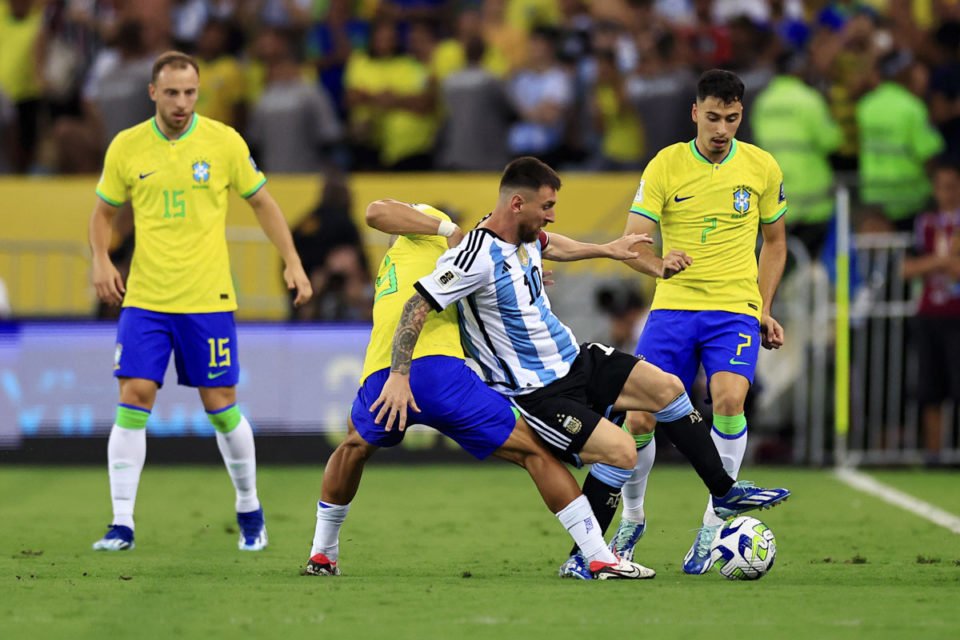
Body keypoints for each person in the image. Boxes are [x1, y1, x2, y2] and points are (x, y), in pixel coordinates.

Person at [373, 156, 790, 580]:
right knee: (622, 451)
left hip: (576, 360)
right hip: (539, 391)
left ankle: (723, 492)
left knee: (664, 388)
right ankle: (584, 556)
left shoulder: (524, 234)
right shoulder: (474, 257)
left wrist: (607, 249)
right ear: (517, 203)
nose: (551, 216)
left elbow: (552, 244)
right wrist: (398, 374)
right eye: (547, 207)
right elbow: (416, 304)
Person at [305, 199, 655, 580]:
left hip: (385, 375)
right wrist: (445, 227)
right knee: (534, 453)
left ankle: (323, 553)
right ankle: (598, 555)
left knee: (353, 445)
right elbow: (375, 211)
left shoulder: (422, 259)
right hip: (441, 375)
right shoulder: (442, 233)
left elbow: (379, 214)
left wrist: (524, 279)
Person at [88, 51, 312, 552]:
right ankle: (121, 523)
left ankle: (249, 506)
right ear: (152, 93)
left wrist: (292, 262)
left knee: (220, 407)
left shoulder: (224, 142)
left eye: (190, 93)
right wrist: (101, 260)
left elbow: (264, 203)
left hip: (207, 298)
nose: (182, 103)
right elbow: (102, 213)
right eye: (171, 93)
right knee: (134, 398)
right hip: (145, 298)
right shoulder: (127, 147)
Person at [609, 69, 790, 576]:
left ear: (740, 116)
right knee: (640, 418)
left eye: (731, 119)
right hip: (672, 308)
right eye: (713, 117)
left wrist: (764, 307)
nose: (721, 129)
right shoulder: (666, 164)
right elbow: (633, 243)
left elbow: (775, 244)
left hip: (734, 309)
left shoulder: (761, 167)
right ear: (695, 113)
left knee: (730, 400)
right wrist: (658, 264)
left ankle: (714, 525)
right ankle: (633, 517)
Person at [901, 158, 960, 465]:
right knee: (929, 387)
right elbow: (906, 268)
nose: (945, 193)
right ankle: (934, 456)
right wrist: (939, 262)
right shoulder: (926, 223)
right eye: (941, 187)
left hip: (957, 314)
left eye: (952, 187)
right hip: (930, 313)